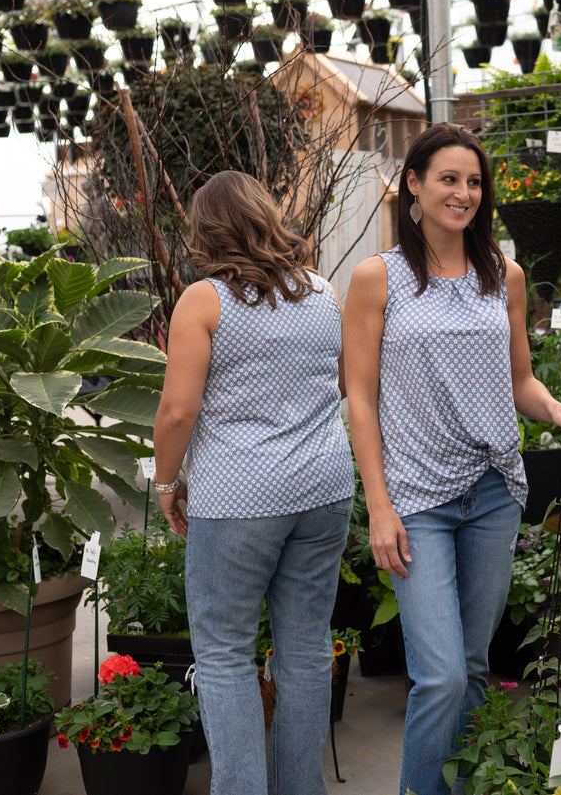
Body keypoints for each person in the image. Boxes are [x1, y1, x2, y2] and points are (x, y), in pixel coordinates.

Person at [341, 122, 561, 795]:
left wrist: (556, 408)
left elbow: (520, 381)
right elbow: (359, 399)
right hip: (416, 500)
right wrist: (378, 505)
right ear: (414, 186)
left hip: (492, 490)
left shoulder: (502, 275)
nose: (462, 193)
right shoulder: (378, 279)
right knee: (441, 674)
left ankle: (464, 785)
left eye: (473, 181)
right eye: (448, 179)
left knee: (477, 666)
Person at [152, 170, 354, 795]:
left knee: (223, 655)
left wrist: (165, 483)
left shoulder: (204, 300)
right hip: (323, 491)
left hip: (239, 498)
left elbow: (178, 411)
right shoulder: (320, 291)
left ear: (206, 231)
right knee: (304, 650)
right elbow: (345, 384)